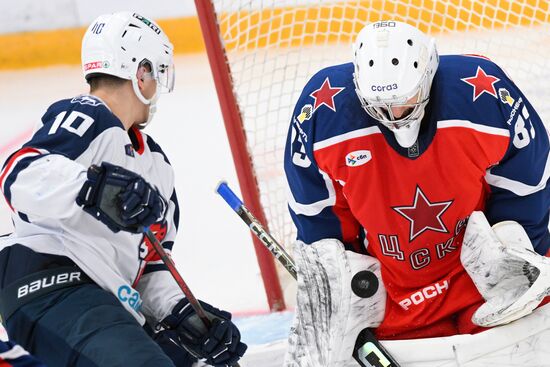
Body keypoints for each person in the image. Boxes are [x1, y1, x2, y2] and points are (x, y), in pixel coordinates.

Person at [283, 20, 550, 365]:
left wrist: (515, 247)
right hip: (396, 299)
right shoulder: (322, 115)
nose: (394, 116)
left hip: (483, 279)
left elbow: (527, 182)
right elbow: (317, 216)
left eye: (404, 100)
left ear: (428, 75)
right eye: (380, 105)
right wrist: (344, 276)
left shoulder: (481, 93)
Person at [0, 11, 246, 367]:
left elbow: (149, 266)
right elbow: (19, 172)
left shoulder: (157, 166)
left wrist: (183, 314)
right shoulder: (89, 115)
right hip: (49, 282)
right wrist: (95, 188)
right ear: (141, 73)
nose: (157, 86)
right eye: (157, 73)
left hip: (107, 300)